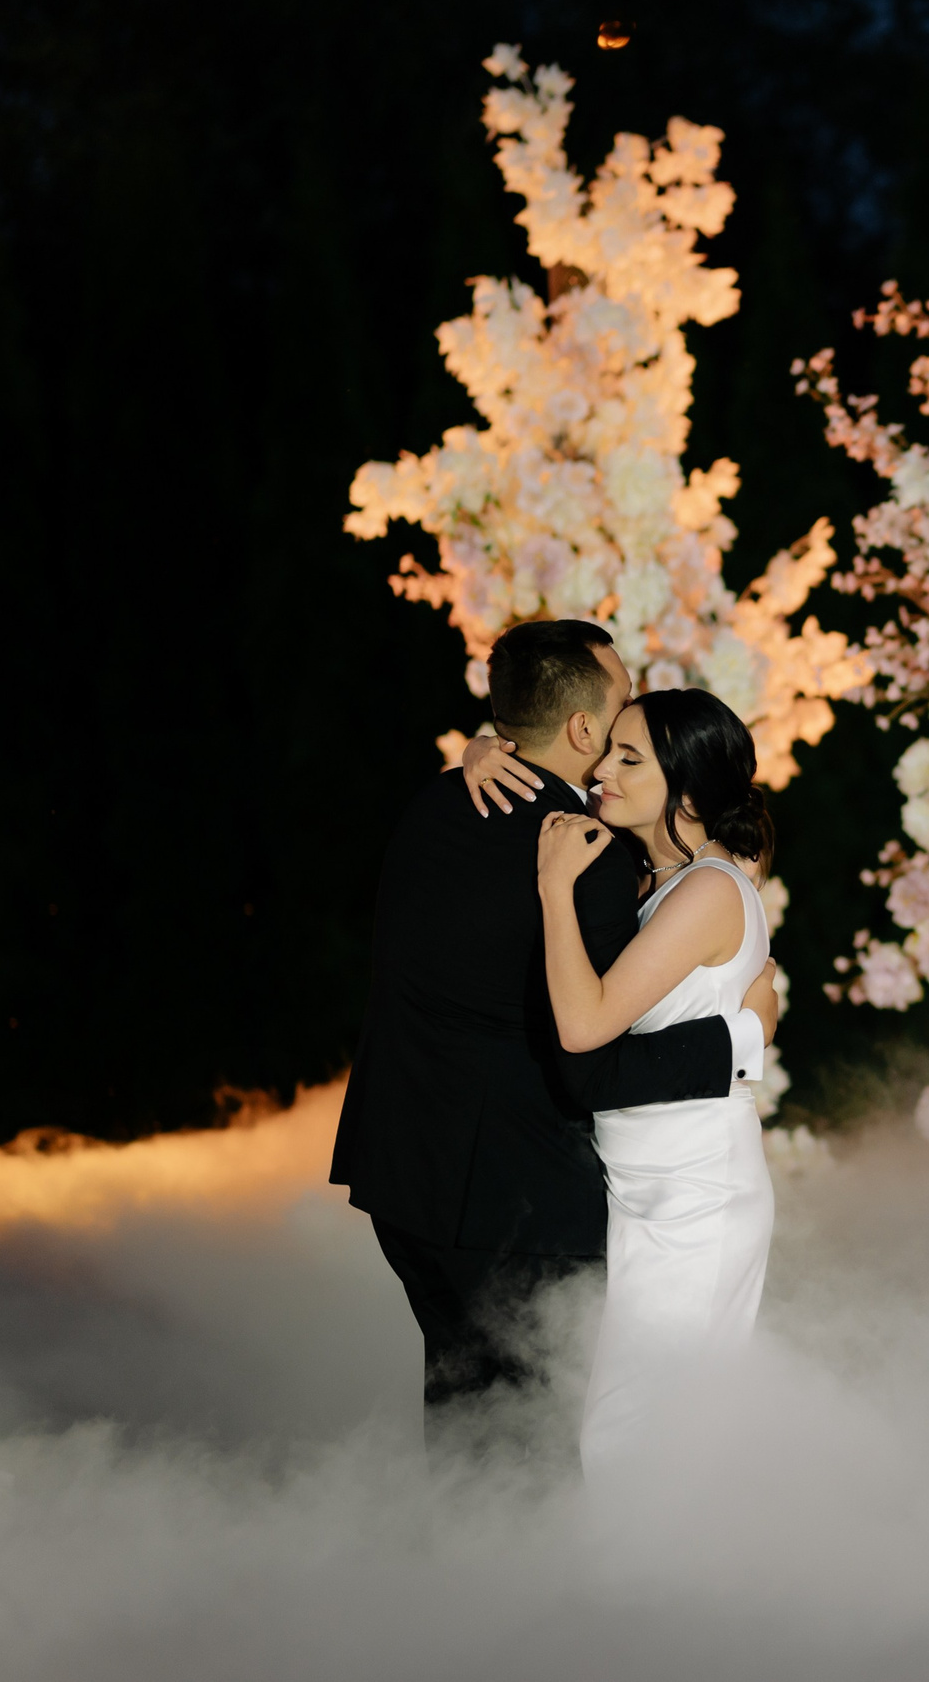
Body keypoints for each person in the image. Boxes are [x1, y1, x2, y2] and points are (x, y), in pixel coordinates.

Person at [330, 621, 778, 1453]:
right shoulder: (594, 860)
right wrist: (742, 1040)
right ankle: (520, 1582)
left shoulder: (438, 799)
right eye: (613, 726)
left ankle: (474, 1577)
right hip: (511, 1194)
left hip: (404, 1174)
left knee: (483, 1422)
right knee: (525, 1441)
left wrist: (480, 746)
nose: (611, 751)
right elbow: (592, 1067)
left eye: (632, 750)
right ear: (581, 728)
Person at [533, 688, 778, 1478]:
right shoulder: (664, 881)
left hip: (695, 1197)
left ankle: (662, 1597)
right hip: (647, 1187)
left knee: (639, 1437)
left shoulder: (707, 889)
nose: (603, 768)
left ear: (692, 792)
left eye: (629, 758)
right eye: (608, 749)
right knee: (642, 1430)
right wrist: (481, 749)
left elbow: (584, 1023)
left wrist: (552, 888)